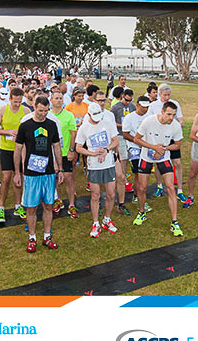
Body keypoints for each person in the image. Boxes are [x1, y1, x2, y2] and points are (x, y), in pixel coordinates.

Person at [14, 96, 64, 252]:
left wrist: (60, 168)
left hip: (48, 172)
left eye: (46, 111)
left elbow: (56, 147)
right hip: (31, 173)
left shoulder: (51, 124)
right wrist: (17, 172)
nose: (43, 114)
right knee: (31, 208)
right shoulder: (25, 126)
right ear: (34, 107)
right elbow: (17, 150)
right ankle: (32, 238)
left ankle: (47, 236)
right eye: (40, 110)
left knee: (48, 205)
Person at [134, 102, 184, 236]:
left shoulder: (175, 125)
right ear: (162, 112)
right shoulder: (149, 121)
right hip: (146, 157)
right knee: (142, 188)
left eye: (173, 115)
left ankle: (174, 222)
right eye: (168, 114)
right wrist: (153, 147)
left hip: (163, 158)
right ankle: (142, 212)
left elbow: (177, 145)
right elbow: (136, 139)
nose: (171, 118)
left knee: (170, 188)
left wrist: (164, 148)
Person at [75, 102, 120, 238]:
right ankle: (95, 223)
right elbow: (78, 147)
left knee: (111, 194)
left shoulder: (107, 123)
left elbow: (116, 140)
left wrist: (106, 149)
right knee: (95, 195)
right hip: (94, 166)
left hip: (109, 164)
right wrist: (93, 153)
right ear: (88, 115)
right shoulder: (84, 128)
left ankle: (107, 219)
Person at [0, 87, 30, 222]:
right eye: (15, 101)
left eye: (20, 101)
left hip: (20, 149)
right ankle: (1, 207)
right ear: (10, 99)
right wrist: (8, 132)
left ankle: (18, 205)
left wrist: (21, 136)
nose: (17, 104)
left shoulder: (26, 111)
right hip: (6, 149)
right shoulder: (3, 110)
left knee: (18, 177)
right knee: (6, 177)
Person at [147, 83, 187, 202]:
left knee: (177, 163)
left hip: (171, 137)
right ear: (159, 94)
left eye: (168, 95)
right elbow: (149, 121)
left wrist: (179, 124)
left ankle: (180, 190)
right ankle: (159, 186)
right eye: (164, 95)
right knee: (158, 163)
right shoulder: (153, 106)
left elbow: (180, 119)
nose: (167, 97)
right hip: (158, 138)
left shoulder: (175, 104)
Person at [122, 95, 153, 224]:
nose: (145, 110)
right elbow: (125, 134)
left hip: (147, 148)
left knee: (144, 174)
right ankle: (139, 197)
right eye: (143, 107)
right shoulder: (129, 118)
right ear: (137, 105)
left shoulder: (150, 117)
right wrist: (137, 141)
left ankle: (139, 195)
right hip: (134, 148)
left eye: (147, 107)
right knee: (138, 173)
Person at [50, 90, 79, 218]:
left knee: (68, 178)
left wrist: (71, 150)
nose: (59, 100)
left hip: (66, 152)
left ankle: (71, 204)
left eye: (60, 98)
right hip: (52, 153)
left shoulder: (69, 115)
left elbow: (73, 133)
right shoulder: (48, 115)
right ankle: (58, 200)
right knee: (55, 178)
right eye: (56, 98)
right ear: (51, 100)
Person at [110, 88, 136, 216]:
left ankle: (123, 177)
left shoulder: (133, 107)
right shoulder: (115, 108)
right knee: (123, 157)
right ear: (122, 96)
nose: (128, 102)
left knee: (130, 157)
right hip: (119, 135)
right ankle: (123, 179)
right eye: (126, 100)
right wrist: (122, 125)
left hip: (130, 135)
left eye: (130, 100)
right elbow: (112, 122)